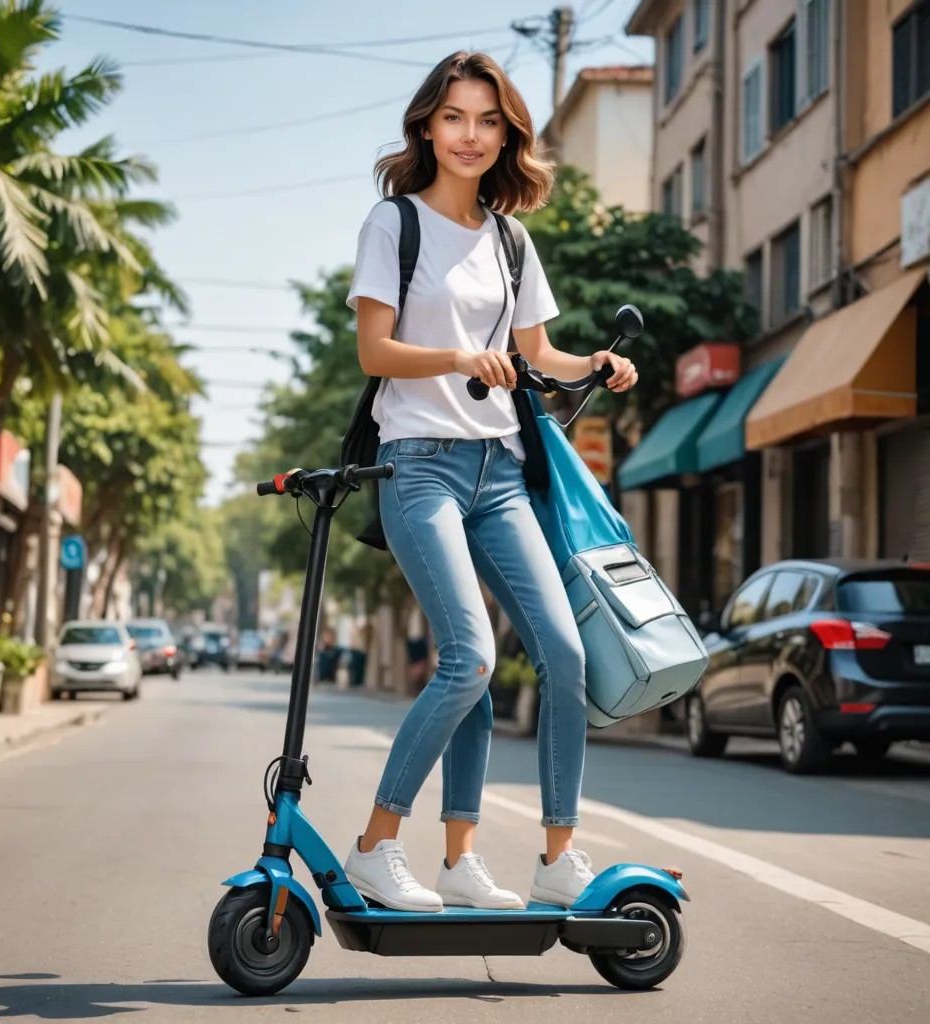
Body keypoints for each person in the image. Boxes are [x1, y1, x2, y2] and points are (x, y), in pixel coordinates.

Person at [343, 51, 638, 914]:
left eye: (488, 121)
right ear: (427, 127)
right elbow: (374, 352)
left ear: (507, 133)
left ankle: (532, 858)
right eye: (454, 118)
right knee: (470, 657)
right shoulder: (392, 226)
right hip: (420, 467)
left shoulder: (511, 239)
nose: (470, 136)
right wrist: (459, 357)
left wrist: (601, 362)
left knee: (564, 651)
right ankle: (374, 846)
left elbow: (540, 356)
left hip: (500, 472)